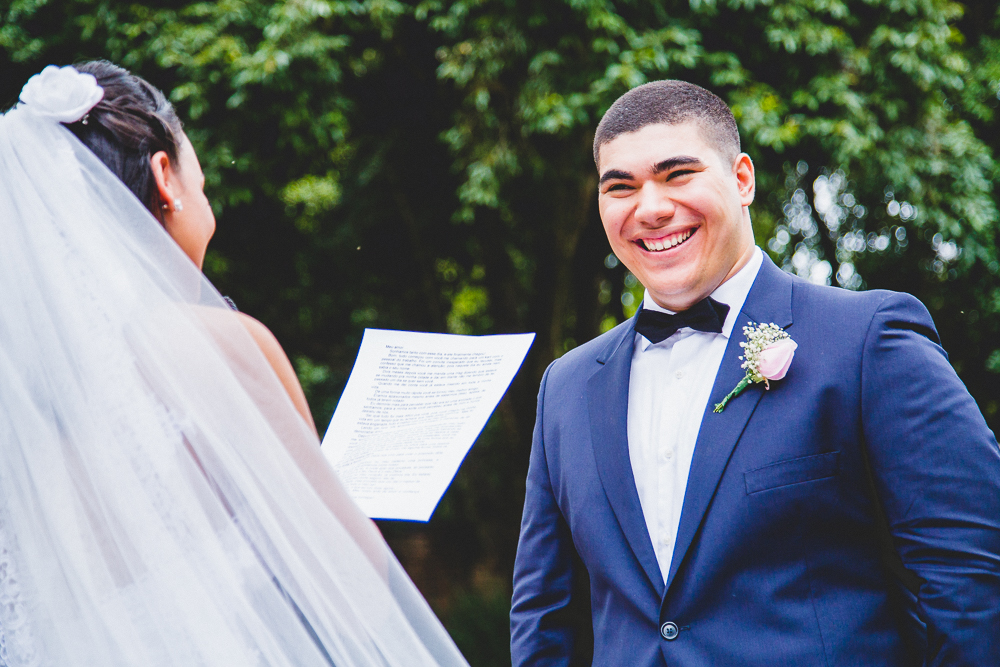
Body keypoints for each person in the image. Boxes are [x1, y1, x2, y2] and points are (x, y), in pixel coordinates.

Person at [510, 80, 1000, 665]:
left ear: (742, 179)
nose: (650, 207)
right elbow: (544, 618)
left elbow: (968, 573)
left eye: (677, 174)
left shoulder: (868, 340)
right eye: (621, 187)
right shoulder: (564, 388)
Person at [0, 62, 469, 667]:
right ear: (164, 176)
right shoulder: (217, 348)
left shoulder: (19, 410)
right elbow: (352, 585)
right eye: (201, 174)